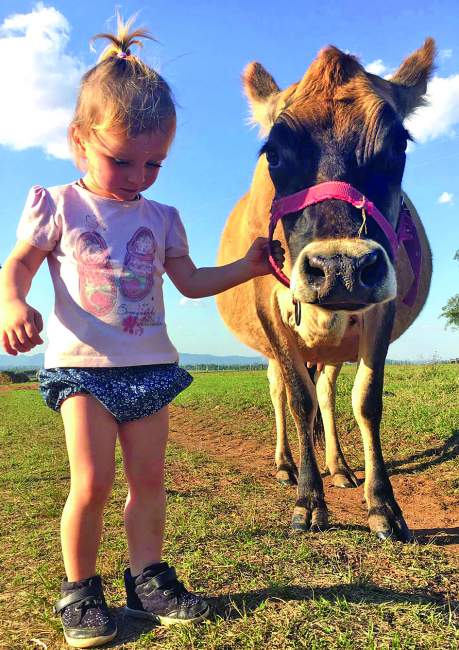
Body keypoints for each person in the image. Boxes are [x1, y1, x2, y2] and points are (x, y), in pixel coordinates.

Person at [0, 15, 284, 649]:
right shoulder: (59, 204)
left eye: (153, 162)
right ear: (79, 139)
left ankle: (148, 578)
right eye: (121, 159)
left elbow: (189, 282)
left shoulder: (164, 217)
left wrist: (248, 264)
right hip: (83, 370)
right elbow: (16, 262)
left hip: (151, 368)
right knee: (93, 482)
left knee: (149, 481)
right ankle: (80, 590)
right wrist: (12, 303)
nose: (137, 175)